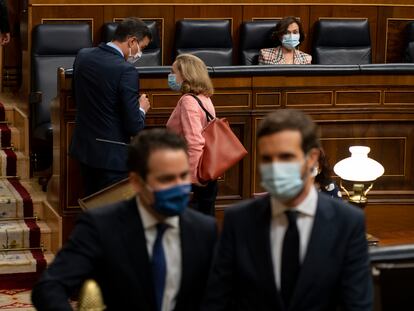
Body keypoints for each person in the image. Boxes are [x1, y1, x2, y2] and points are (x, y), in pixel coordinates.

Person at [202, 109, 373, 311]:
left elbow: (357, 305)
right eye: (267, 159)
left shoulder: (347, 222)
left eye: (286, 157)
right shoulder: (238, 220)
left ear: (312, 159)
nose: (275, 167)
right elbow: (217, 301)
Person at [32, 128, 217, 311]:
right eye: (166, 179)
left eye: (183, 176)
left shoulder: (204, 230)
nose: (179, 187)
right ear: (136, 182)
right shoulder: (100, 226)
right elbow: (49, 288)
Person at [70, 17, 151, 196]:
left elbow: (75, 97)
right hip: (112, 159)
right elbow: (133, 126)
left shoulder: (83, 55)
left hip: (84, 150)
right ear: (132, 41)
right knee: (111, 216)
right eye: (142, 47)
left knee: (91, 209)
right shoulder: (126, 71)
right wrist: (141, 109)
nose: (140, 53)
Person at [166, 54, 218, 216]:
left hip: (194, 174)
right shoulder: (204, 97)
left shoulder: (188, 100)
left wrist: (192, 179)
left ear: (186, 74)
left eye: (173, 72)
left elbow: (194, 141)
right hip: (207, 171)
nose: (170, 76)